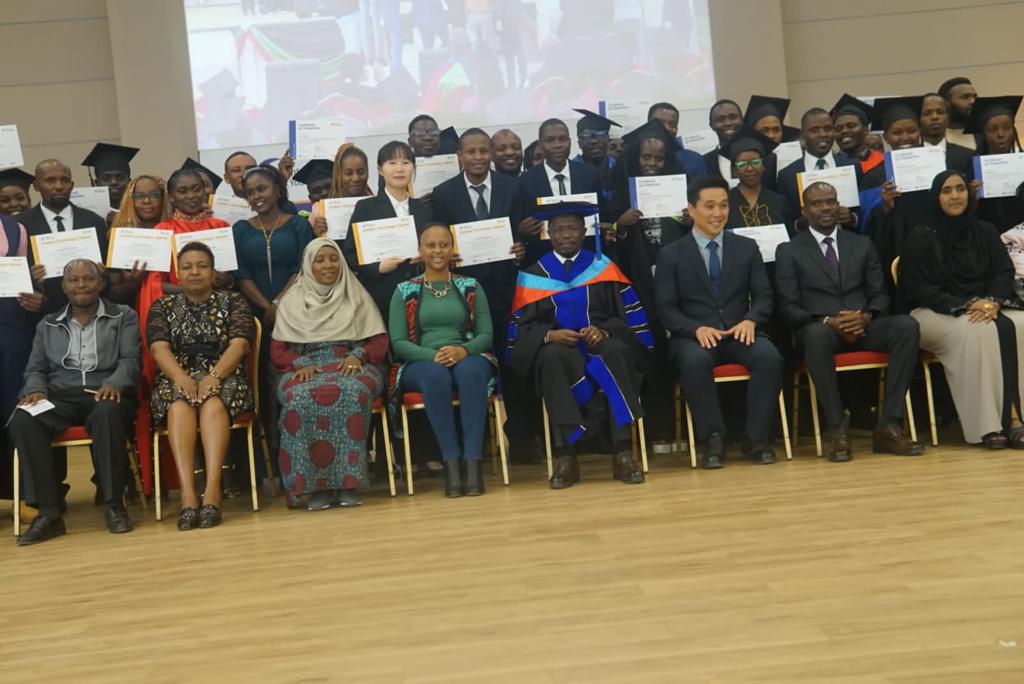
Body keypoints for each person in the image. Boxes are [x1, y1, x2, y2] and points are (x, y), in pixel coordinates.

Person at [776, 182, 924, 461]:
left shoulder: (861, 243)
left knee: (907, 326)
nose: (825, 208)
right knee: (815, 336)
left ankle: (889, 424)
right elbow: (788, 307)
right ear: (804, 210)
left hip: (863, 324)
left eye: (830, 201)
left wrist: (865, 317)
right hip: (821, 328)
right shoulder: (789, 250)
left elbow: (880, 293)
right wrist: (829, 320)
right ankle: (836, 427)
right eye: (817, 203)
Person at [507, 201, 651, 488]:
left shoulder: (602, 268)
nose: (566, 235)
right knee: (551, 357)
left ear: (584, 230)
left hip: (602, 346)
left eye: (572, 228)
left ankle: (622, 452)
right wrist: (549, 335)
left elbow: (626, 318)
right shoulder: (536, 274)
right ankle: (566, 456)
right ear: (548, 233)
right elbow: (522, 330)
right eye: (559, 229)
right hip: (560, 353)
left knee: (617, 351)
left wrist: (605, 331)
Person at [654, 176, 783, 468]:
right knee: (695, 361)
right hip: (693, 337)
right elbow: (665, 308)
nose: (718, 213)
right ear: (691, 210)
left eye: (723, 206)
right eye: (709, 206)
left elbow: (764, 296)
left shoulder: (746, 247)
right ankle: (713, 439)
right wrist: (695, 328)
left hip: (739, 332)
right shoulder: (671, 254)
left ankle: (756, 438)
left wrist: (751, 319)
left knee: (769, 357)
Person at [10, 259, 140, 545]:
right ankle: (48, 512)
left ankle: (113, 505)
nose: (81, 285)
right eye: (74, 280)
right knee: (23, 418)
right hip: (61, 395)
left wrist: (115, 383)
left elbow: (130, 359)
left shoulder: (123, 316)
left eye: (88, 279)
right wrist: (35, 390)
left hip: (105, 392)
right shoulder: (48, 323)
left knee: (108, 413)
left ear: (101, 283)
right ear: (64, 286)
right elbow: (35, 369)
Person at [899, 170, 1024, 448]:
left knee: (1021, 323)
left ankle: (1017, 418)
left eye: (960, 189)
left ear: (970, 193)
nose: (955, 196)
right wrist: (968, 304)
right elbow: (918, 289)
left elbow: (1003, 272)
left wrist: (992, 301)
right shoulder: (921, 235)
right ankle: (989, 425)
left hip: (987, 306)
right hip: (933, 312)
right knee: (977, 330)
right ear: (936, 197)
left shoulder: (985, 230)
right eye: (946, 191)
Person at [134, 167, 235, 497]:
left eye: (196, 189)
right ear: (172, 196)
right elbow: (155, 284)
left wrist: (220, 284)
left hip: (217, 330)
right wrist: (196, 289)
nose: (190, 196)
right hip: (176, 332)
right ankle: (188, 483)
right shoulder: (162, 231)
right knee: (180, 400)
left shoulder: (220, 226)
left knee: (216, 398)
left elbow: (230, 281)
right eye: (182, 191)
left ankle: (222, 480)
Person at [271, 239, 388, 509]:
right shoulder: (292, 301)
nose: (328, 265)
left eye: (333, 259)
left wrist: (357, 355)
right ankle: (314, 488)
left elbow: (379, 343)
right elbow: (278, 351)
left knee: (352, 391)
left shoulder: (356, 294)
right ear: (308, 265)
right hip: (304, 366)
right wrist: (299, 362)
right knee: (299, 396)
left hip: (352, 363)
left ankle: (348, 483)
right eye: (319, 260)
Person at [147, 242, 255, 529]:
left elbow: (240, 344)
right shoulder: (162, 305)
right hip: (175, 377)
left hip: (225, 376)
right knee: (179, 404)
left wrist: (214, 376)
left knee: (213, 403)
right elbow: (159, 349)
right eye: (187, 267)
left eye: (202, 266)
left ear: (213, 271)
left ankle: (212, 494)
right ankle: (188, 495)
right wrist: (181, 378)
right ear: (178, 274)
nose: (195, 272)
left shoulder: (233, 301)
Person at [388, 224, 497, 497]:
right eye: (431, 245)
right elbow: (398, 342)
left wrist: (464, 351)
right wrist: (432, 355)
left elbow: (486, 334)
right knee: (435, 376)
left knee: (472, 373)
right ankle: (451, 463)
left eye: (444, 245)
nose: (437, 251)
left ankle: (472, 463)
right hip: (420, 360)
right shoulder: (404, 290)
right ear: (420, 250)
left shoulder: (470, 286)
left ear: (452, 248)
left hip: (467, 354)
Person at [605, 120, 688, 441]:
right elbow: (608, 240)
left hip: (678, 287)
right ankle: (658, 432)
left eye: (659, 159)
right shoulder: (620, 196)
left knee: (677, 354)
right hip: (637, 289)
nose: (652, 165)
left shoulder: (681, 195)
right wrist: (620, 224)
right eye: (646, 158)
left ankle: (686, 430)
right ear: (634, 158)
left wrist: (687, 221)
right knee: (647, 356)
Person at [342, 141, 435, 317]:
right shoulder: (365, 208)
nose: (400, 169)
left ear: (413, 167)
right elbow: (350, 254)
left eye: (406, 163)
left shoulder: (425, 209)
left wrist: (427, 255)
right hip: (382, 298)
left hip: (423, 296)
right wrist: (377, 267)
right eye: (392, 163)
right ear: (379, 169)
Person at [17, 159, 109, 314]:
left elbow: (108, 275)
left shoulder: (94, 221)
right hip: (41, 318)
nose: (59, 186)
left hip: (90, 313)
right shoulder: (20, 225)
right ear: (36, 185)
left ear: (72, 185)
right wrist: (32, 281)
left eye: (64, 180)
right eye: (50, 181)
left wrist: (103, 275)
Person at [518, 118, 606, 264]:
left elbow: (602, 214)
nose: (557, 145)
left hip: (587, 258)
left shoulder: (589, 175)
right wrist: (522, 230)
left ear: (570, 142)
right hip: (543, 261)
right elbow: (521, 223)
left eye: (562, 139)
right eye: (550, 140)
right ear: (540, 145)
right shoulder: (525, 181)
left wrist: (604, 226)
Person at [778, 109, 861, 233]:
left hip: (848, 244)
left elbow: (865, 213)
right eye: (814, 130)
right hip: (806, 248)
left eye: (828, 128)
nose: (823, 134)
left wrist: (852, 218)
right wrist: (802, 223)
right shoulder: (788, 175)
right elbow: (787, 222)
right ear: (803, 134)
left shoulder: (852, 166)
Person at [106, 175, 169, 305]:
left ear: (163, 199)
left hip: (171, 307)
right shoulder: (121, 237)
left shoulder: (175, 231)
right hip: (131, 313)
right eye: (140, 196)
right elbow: (113, 295)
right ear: (131, 200)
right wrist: (133, 282)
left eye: (154, 195)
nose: (147, 201)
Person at [966, 95, 1024, 233]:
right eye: (992, 129)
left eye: (1007, 127)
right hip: (986, 238)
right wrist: (971, 198)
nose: (1001, 134)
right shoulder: (969, 169)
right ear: (983, 134)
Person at [724, 127, 790, 229]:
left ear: (764, 166)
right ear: (735, 171)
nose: (750, 168)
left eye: (756, 162)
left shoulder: (779, 201)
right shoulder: (726, 202)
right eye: (742, 164)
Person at [307, 143, 374, 236]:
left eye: (361, 172)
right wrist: (317, 235)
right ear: (338, 176)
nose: (356, 178)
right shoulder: (324, 213)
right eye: (348, 173)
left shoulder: (378, 205)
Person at [647, 102, 708, 179]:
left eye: (672, 124)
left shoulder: (694, 160)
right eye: (660, 123)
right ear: (648, 125)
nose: (667, 128)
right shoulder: (631, 158)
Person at [920, 93, 975, 177]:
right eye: (927, 113)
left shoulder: (966, 155)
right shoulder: (909, 156)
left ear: (948, 118)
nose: (935, 117)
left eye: (940, 112)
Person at [81, 142, 139, 222]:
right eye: (106, 178)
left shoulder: (142, 211)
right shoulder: (86, 216)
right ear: (96, 183)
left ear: (129, 182)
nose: (113, 182)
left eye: (120, 177)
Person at [572, 108, 621, 197]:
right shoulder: (572, 171)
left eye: (600, 134)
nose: (594, 141)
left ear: (608, 139)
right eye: (587, 136)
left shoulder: (619, 166)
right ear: (579, 143)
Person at [831, 94, 884, 177]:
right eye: (838, 128)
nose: (844, 131)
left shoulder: (883, 162)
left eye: (851, 126)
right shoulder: (830, 165)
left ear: (866, 130)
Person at [702, 99, 745, 182]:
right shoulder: (703, 162)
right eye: (721, 119)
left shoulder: (763, 158)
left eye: (733, 117)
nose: (728, 123)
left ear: (742, 120)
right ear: (712, 125)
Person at [938, 76, 978, 150]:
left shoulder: (984, 135)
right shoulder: (934, 138)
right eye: (965, 97)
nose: (973, 101)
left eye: (975, 97)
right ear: (946, 103)